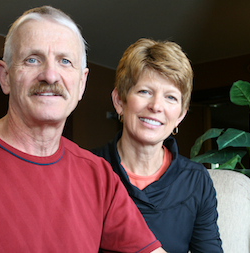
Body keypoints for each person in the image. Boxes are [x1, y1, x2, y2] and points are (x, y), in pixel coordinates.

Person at [0, 6, 166, 253]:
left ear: (81, 84)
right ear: (5, 76)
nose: (50, 75)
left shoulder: (99, 175)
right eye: (32, 59)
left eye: (65, 61)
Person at [92, 38, 223, 253]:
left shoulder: (196, 180)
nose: (156, 106)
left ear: (180, 115)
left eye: (170, 97)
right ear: (119, 101)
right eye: (145, 92)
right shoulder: (90, 170)